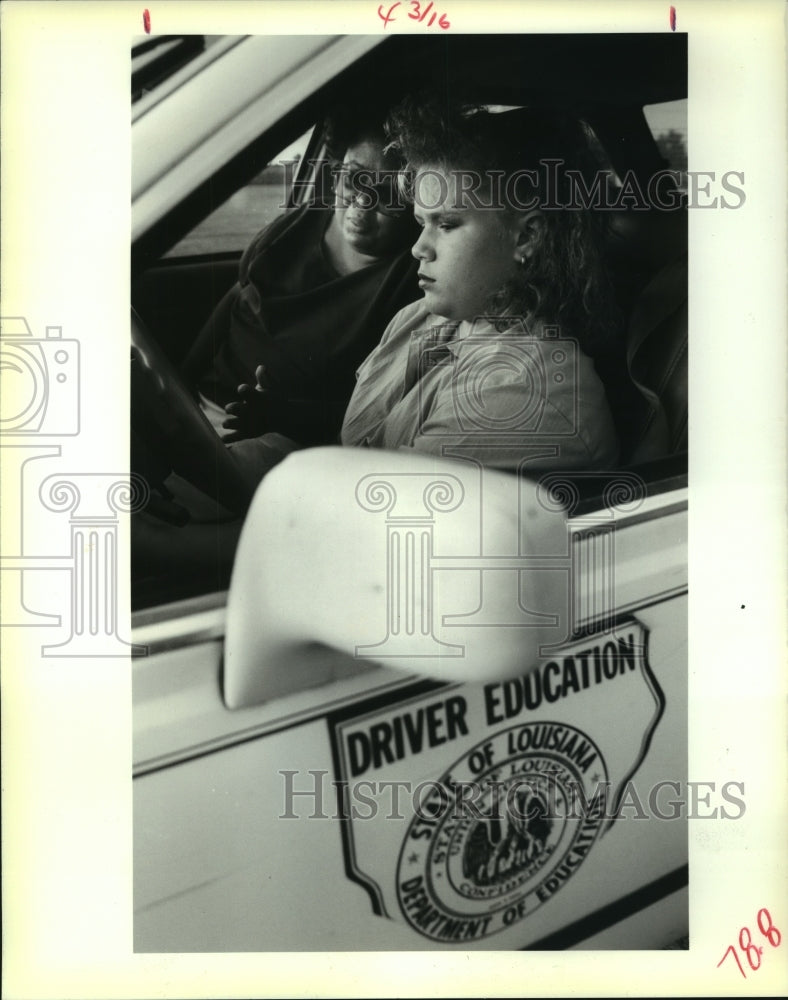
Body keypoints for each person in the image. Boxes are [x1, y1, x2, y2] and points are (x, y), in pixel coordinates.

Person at [181, 100, 420, 449]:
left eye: (388, 193)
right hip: (195, 410)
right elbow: (237, 300)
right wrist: (180, 380)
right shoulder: (299, 222)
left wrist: (283, 416)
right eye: (355, 179)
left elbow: (377, 409)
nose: (362, 202)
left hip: (280, 443)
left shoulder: (412, 279)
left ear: (416, 202)